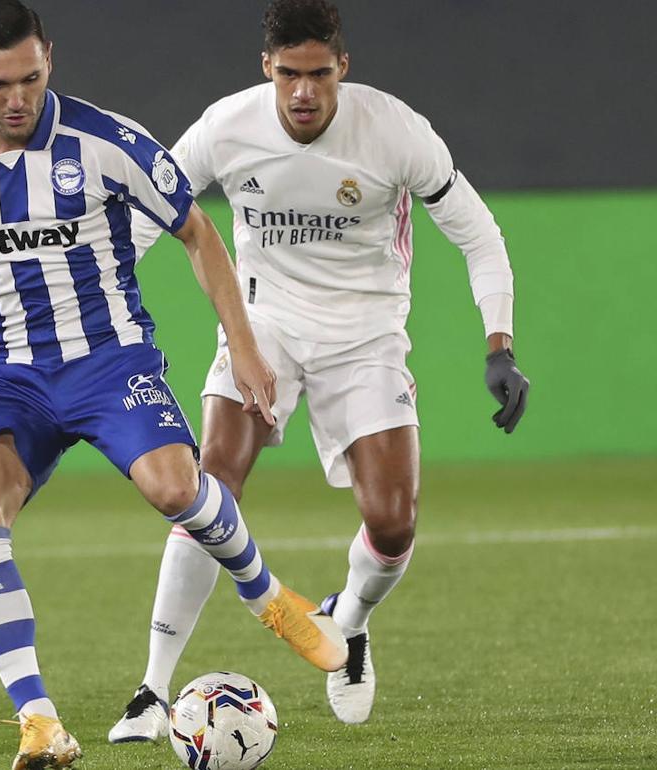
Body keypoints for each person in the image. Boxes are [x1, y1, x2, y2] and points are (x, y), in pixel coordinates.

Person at [0, 1, 347, 766]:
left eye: (29, 78)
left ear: (48, 60)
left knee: (175, 486)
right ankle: (39, 722)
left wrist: (244, 346)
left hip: (110, 361)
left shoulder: (106, 142)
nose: (16, 98)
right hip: (7, 376)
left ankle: (267, 596)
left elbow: (197, 232)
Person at [107, 0, 531, 741]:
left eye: (320, 74)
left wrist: (500, 345)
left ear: (343, 68)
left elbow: (479, 235)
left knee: (393, 523)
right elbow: (142, 223)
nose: (304, 92)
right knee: (211, 483)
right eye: (288, 75)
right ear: (266, 69)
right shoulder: (225, 128)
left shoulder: (395, 131)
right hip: (262, 327)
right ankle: (151, 689)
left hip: (366, 335)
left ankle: (349, 621)